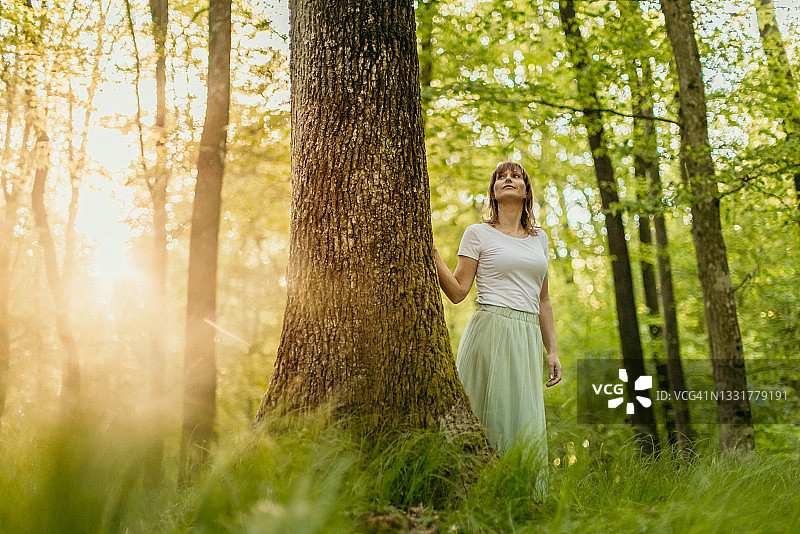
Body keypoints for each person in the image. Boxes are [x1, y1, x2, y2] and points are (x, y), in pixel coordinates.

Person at [433, 161, 561, 496]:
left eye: (515, 176)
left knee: (521, 420)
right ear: (493, 191)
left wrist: (553, 350)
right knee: (486, 416)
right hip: (489, 329)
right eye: (501, 177)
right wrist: (431, 252)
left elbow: (543, 300)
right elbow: (459, 291)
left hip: (525, 335)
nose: (507, 179)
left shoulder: (540, 239)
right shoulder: (478, 233)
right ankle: (473, 494)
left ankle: (519, 499)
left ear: (525, 191)